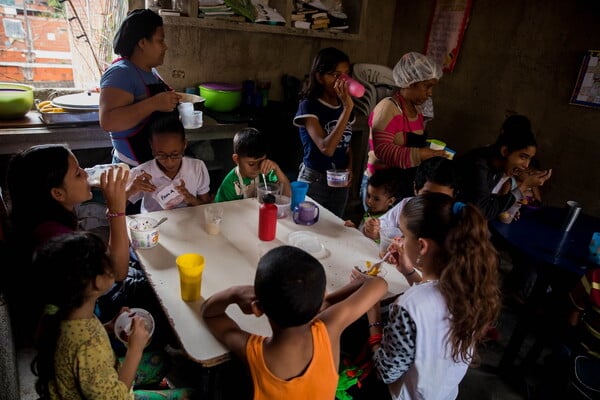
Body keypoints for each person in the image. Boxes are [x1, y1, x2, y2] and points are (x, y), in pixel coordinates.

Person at [5, 144, 159, 346]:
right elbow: (117, 272)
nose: (86, 174)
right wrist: (116, 210)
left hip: (83, 304)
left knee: (142, 263)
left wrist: (125, 195)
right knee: (155, 291)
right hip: (83, 326)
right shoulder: (57, 240)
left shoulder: (42, 219)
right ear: (57, 193)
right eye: (78, 174)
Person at [201, 245, 388, 399]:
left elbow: (210, 313)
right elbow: (378, 284)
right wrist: (327, 303)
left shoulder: (254, 352)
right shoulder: (330, 327)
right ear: (321, 297)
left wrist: (234, 293)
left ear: (257, 309)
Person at [363, 193, 501, 399]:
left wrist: (372, 311)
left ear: (422, 245)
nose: (398, 240)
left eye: (403, 234)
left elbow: (386, 371)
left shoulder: (409, 307)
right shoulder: (471, 287)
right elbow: (435, 303)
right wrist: (409, 272)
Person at [31, 232, 193, 400]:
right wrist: (134, 349)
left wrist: (108, 326)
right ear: (97, 282)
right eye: (105, 259)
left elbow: (81, 341)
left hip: (99, 377)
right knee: (190, 395)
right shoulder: (88, 346)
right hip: (114, 395)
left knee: (162, 361)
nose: (111, 260)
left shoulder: (66, 313)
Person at [99, 8, 182, 167]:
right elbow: (108, 121)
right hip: (131, 167)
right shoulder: (121, 72)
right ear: (142, 42)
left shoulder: (151, 72)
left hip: (151, 165)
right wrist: (154, 103)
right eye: (160, 40)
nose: (165, 47)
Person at [362, 52, 445, 204]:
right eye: (427, 86)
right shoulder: (388, 108)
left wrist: (431, 153)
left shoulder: (418, 110)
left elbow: (414, 145)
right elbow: (383, 151)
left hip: (403, 185)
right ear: (409, 82)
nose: (430, 93)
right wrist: (422, 154)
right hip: (381, 191)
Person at [294, 47, 355, 218]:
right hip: (314, 180)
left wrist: (350, 168)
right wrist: (347, 109)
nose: (342, 81)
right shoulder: (309, 106)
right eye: (336, 75)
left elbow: (346, 146)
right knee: (308, 228)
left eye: (346, 74)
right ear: (320, 77)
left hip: (339, 182)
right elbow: (326, 148)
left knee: (333, 231)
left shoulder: (346, 106)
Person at [456, 114, 552, 220]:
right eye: (523, 157)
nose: (526, 165)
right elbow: (482, 212)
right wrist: (524, 186)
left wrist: (504, 207)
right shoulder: (478, 165)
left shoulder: (498, 168)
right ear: (505, 151)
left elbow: (485, 200)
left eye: (529, 159)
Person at [126, 114, 211, 213]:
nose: (169, 162)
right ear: (152, 147)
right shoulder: (141, 173)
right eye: (161, 155)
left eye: (175, 154)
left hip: (188, 223)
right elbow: (111, 212)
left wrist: (191, 199)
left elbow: (207, 208)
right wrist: (130, 190)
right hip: (154, 225)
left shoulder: (197, 167)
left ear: (184, 145)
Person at [363, 156, 458, 242]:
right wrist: (373, 229)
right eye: (427, 196)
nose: (434, 204)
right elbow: (383, 225)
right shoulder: (405, 206)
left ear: (454, 197)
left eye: (442, 198)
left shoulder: (457, 224)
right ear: (415, 189)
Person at [214, 127, 291, 203]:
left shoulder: (266, 172)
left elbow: (287, 196)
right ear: (236, 159)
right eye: (251, 164)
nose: (257, 168)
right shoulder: (230, 184)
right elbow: (220, 209)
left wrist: (277, 169)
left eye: (261, 161)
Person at [344, 168, 401, 236]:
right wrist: (355, 230)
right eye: (368, 195)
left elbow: (378, 242)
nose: (370, 201)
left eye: (376, 199)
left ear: (390, 201)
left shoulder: (388, 223)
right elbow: (363, 234)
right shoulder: (372, 211)